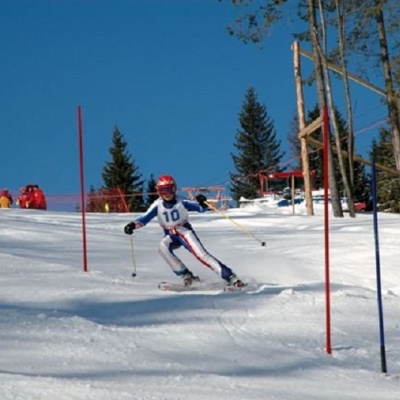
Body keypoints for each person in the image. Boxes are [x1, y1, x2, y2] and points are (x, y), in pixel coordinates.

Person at [124, 174, 245, 287]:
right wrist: (133, 225)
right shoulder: (157, 205)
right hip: (170, 234)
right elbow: (144, 219)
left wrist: (202, 203)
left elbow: (201, 208)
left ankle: (230, 277)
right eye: (163, 190)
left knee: (201, 255)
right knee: (163, 247)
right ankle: (185, 275)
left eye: (169, 189)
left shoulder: (181, 201)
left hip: (184, 231)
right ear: (158, 192)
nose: (167, 194)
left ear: (175, 189)